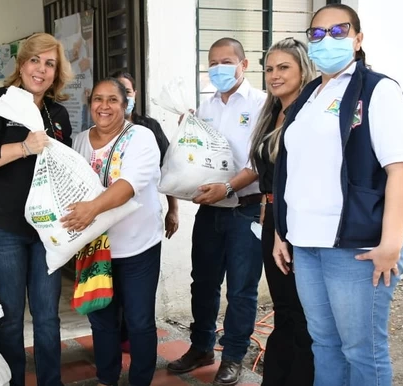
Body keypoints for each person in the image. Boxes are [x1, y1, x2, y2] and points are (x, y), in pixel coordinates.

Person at [273, 4, 403, 386]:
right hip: (306, 243)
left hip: (355, 246)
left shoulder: (378, 90)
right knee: (324, 344)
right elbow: (292, 171)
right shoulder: (311, 97)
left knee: (362, 351)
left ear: (358, 39)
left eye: (338, 31)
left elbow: (400, 169)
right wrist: (283, 233)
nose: (326, 40)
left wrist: (391, 244)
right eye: (316, 34)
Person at [0, 32, 73, 386]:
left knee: (47, 317)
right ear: (21, 63)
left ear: (57, 73)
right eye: (35, 60)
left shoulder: (56, 113)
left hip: (44, 228)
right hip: (0, 224)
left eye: (50, 63)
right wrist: (24, 147)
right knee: (9, 316)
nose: (41, 69)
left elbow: (63, 168)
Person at [167, 37, 266, 386]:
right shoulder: (205, 107)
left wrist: (227, 187)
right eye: (213, 62)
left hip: (246, 210)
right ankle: (201, 347)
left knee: (241, 290)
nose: (219, 68)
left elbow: (260, 161)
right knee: (203, 283)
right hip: (210, 212)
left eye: (227, 61)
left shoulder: (262, 104)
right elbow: (197, 156)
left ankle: (234, 356)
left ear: (244, 64)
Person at [63, 77, 162, 386]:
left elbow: (127, 187)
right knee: (102, 319)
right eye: (97, 99)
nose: (103, 106)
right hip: (96, 249)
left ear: (125, 105)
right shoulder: (79, 141)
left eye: (112, 100)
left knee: (139, 321)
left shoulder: (141, 138)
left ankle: (140, 381)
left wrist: (90, 209)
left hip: (138, 247)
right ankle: (107, 378)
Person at [248, 37, 316, 386]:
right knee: (285, 309)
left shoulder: (308, 112)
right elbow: (268, 179)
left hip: (295, 222)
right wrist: (266, 220)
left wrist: (281, 230)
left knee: (302, 313)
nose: (274, 75)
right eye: (269, 69)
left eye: (283, 67)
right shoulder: (272, 111)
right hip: (272, 220)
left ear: (303, 68)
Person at [111, 70, 180, 353]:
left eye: (127, 92)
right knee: (111, 293)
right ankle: (113, 341)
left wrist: (173, 209)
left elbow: (169, 170)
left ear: (134, 95)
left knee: (137, 295)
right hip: (108, 230)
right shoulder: (98, 130)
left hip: (142, 227)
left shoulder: (148, 127)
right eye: (117, 93)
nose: (123, 98)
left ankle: (133, 341)